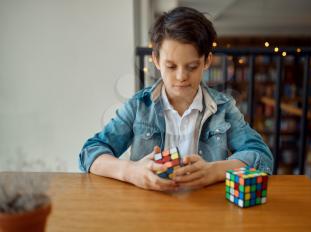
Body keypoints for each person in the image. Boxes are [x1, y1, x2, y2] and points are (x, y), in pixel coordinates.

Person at [79, 6, 273, 191]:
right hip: (147, 211)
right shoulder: (139, 106)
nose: (181, 77)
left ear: (207, 61)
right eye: (171, 66)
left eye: (192, 66)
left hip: (206, 211)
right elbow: (90, 152)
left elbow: (262, 156)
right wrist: (131, 171)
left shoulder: (223, 108)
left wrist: (214, 171)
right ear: (156, 60)